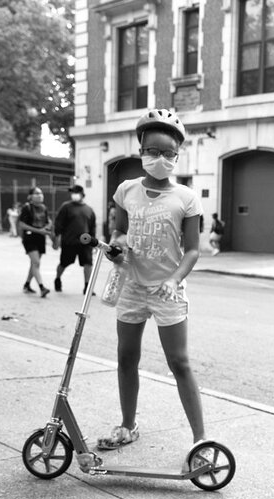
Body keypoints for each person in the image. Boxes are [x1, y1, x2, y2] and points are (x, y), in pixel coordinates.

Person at [97, 108, 208, 457]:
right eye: (153, 151)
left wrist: (175, 280)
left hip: (167, 291)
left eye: (168, 153)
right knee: (126, 357)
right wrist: (116, 250)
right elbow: (119, 233)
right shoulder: (126, 190)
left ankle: (200, 441)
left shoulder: (187, 198)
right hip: (132, 285)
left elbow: (192, 251)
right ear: (141, 149)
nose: (160, 158)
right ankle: (128, 426)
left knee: (180, 363)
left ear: (177, 155)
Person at [52, 185, 98, 294]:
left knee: (88, 264)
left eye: (76, 192)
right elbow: (58, 224)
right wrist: (56, 238)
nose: (74, 195)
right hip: (69, 241)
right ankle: (58, 278)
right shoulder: (66, 207)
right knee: (64, 263)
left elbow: (92, 228)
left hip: (85, 242)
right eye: (72, 192)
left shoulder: (89, 210)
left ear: (82, 194)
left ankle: (87, 286)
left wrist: (94, 243)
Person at [18, 187, 54, 297]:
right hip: (30, 238)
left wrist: (48, 228)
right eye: (37, 193)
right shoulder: (27, 208)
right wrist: (39, 230)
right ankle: (42, 287)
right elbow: (21, 224)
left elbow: (48, 221)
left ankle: (27, 284)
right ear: (30, 197)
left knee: (34, 264)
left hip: (41, 238)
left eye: (41, 193)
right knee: (36, 263)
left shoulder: (43, 208)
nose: (40, 195)